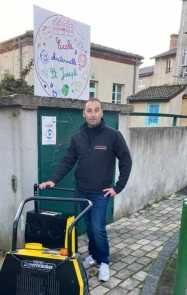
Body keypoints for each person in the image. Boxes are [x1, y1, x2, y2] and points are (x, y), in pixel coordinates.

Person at [39, 98, 132, 282]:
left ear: (101, 112)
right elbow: (67, 161)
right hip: (81, 192)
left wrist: (118, 187)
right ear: (84, 113)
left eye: (96, 110)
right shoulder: (78, 136)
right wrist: (53, 180)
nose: (93, 114)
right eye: (89, 111)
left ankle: (104, 261)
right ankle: (92, 255)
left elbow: (126, 160)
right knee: (89, 227)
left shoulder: (113, 136)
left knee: (98, 227)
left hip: (101, 193)